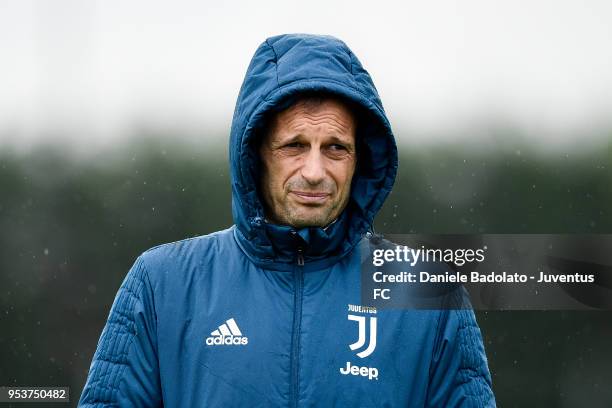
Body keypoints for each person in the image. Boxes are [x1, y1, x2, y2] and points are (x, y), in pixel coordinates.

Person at [79, 33, 496, 407]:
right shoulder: (162, 284)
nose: (314, 170)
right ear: (256, 154)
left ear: (360, 160)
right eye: (294, 145)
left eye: (335, 148)